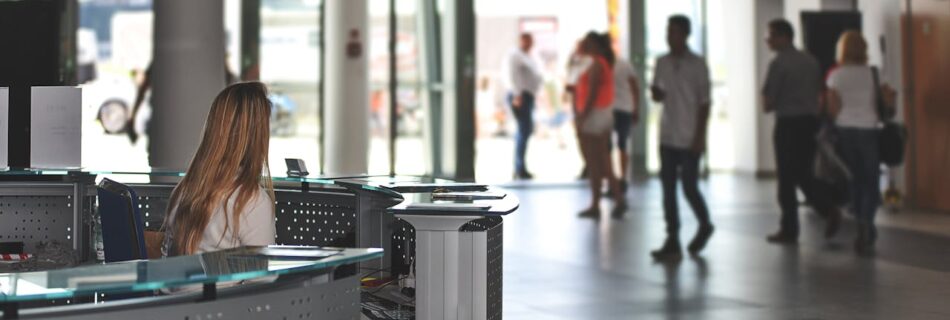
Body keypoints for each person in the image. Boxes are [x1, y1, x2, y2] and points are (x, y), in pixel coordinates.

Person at [161, 82, 276, 257]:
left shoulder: (184, 190)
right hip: (230, 286)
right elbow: (262, 279)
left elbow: (165, 260)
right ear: (257, 135)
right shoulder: (252, 202)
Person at [761, 19, 841, 244]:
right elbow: (819, 93)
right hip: (809, 123)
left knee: (786, 177)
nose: (768, 40)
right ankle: (827, 208)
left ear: (784, 36)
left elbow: (768, 102)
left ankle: (789, 228)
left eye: (771, 35)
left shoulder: (778, 64)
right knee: (805, 173)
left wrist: (772, 100)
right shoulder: (811, 61)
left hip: (788, 124)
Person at [825, 31, 896, 255]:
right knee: (871, 179)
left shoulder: (836, 76)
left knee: (853, 178)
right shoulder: (874, 73)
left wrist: (839, 120)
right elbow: (888, 99)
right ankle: (867, 222)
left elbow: (832, 108)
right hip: (869, 130)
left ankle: (860, 223)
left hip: (845, 131)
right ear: (864, 49)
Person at [649, 15, 714, 259]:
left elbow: (705, 103)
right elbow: (658, 95)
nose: (670, 36)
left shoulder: (697, 65)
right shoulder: (662, 62)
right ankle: (672, 238)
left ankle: (704, 223)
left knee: (688, 186)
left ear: (685, 34)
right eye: (668, 31)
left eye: (674, 32)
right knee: (667, 190)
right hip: (667, 134)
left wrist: (700, 137)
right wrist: (655, 93)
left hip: (689, 135)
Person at [575, 32, 626, 218]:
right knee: (600, 162)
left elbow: (592, 93)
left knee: (598, 162)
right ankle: (605, 201)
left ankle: (605, 201)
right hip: (599, 114)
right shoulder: (598, 63)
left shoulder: (597, 64)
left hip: (595, 115)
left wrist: (583, 116)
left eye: (587, 43)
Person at [503, 33, 544, 180]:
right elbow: (511, 75)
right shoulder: (515, 55)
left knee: (525, 131)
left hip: (527, 96)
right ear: (521, 40)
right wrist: (516, 95)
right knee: (523, 130)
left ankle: (520, 167)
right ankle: (519, 168)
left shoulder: (528, 56)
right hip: (520, 96)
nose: (529, 44)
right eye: (527, 41)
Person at [609, 51, 641, 193]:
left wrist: (635, 108)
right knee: (613, 146)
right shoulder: (609, 64)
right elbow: (635, 87)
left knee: (620, 145)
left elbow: (635, 87)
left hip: (621, 108)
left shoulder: (623, 64)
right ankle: (616, 180)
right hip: (615, 109)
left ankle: (621, 179)